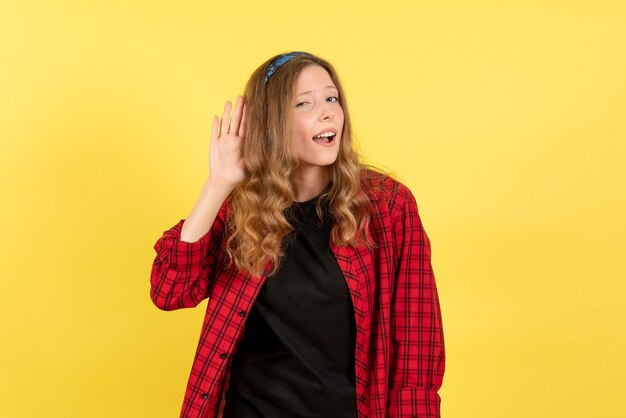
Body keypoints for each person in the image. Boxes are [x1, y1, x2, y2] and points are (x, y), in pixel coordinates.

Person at [150, 51, 445, 418]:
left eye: (331, 98)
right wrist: (217, 185)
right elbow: (170, 291)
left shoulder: (387, 207)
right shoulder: (240, 208)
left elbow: (416, 348)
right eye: (304, 103)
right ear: (273, 124)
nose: (326, 111)